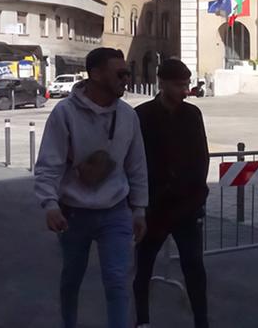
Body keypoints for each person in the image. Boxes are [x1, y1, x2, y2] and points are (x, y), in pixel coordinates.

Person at [34, 47, 148, 328]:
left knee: (117, 281)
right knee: (71, 278)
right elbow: (49, 162)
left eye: (127, 72)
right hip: (73, 213)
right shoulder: (65, 113)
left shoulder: (127, 116)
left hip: (116, 211)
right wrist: (49, 204)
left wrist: (140, 209)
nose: (126, 78)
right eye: (119, 73)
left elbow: (136, 165)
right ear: (95, 74)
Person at [133, 59, 210, 328]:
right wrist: (141, 203)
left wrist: (198, 196)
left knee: (194, 268)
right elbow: (136, 161)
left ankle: (202, 321)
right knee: (143, 268)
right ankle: (142, 320)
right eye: (178, 85)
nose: (184, 90)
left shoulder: (192, 115)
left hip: (186, 207)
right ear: (161, 83)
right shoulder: (142, 115)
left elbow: (201, 158)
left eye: (186, 84)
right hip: (154, 208)